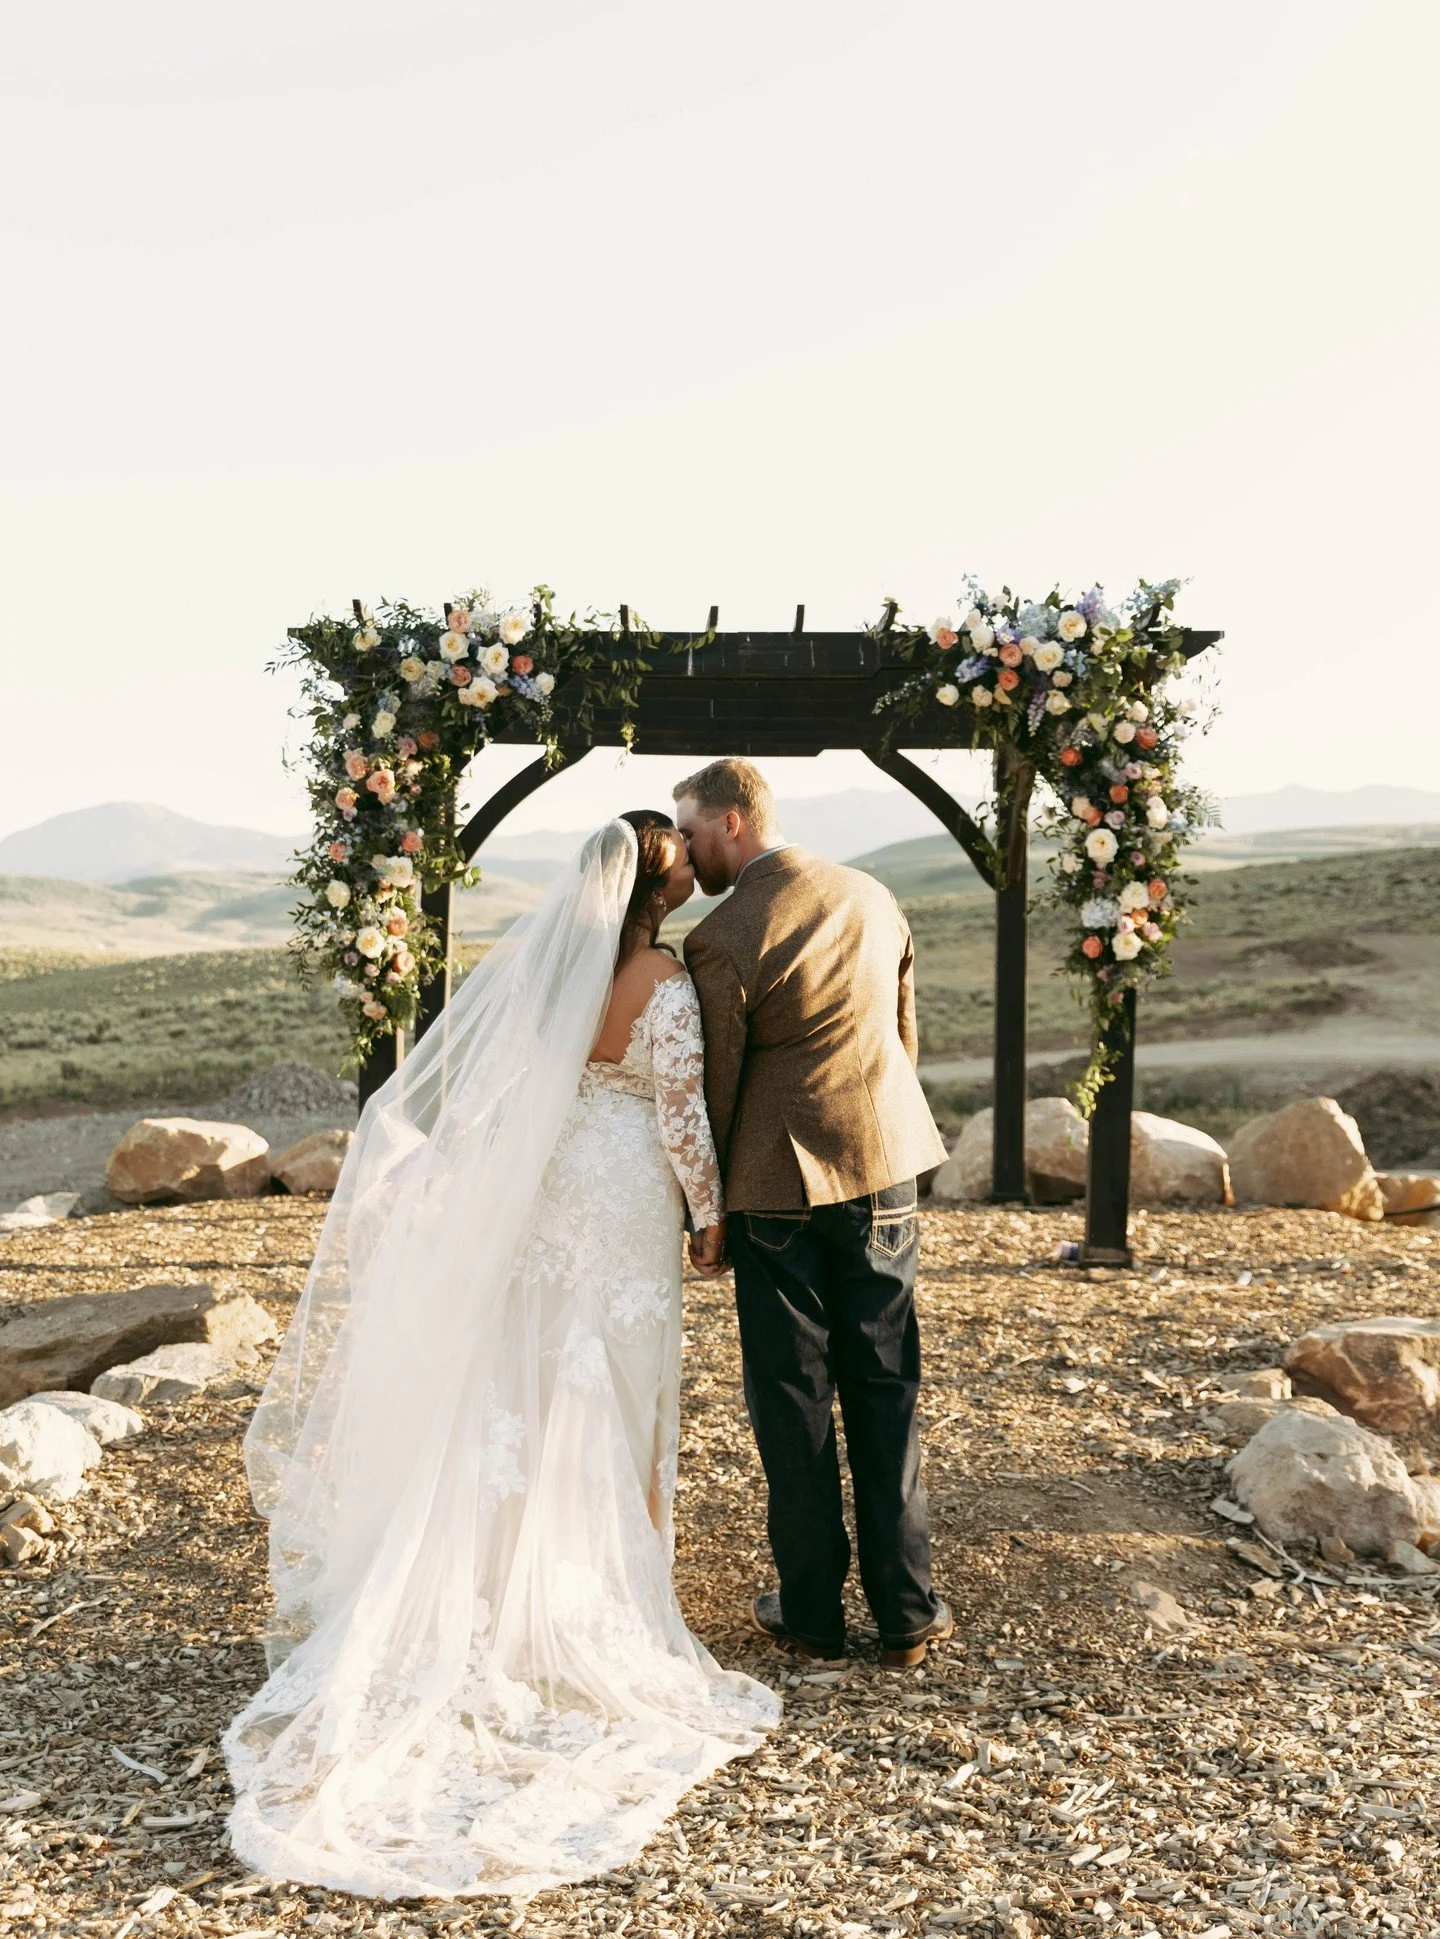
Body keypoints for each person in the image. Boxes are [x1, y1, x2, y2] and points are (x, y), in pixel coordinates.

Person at [225, 817, 778, 1900]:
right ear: (655, 891)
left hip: (552, 1184)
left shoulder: (552, 970)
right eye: (674, 864)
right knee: (616, 1378)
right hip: (624, 1192)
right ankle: (606, 1589)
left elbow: (509, 1091)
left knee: (528, 1372)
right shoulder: (665, 981)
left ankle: (497, 1572)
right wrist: (709, 1214)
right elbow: (679, 1112)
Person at [674, 758, 953, 1669]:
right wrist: (882, 1135)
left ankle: (813, 1616)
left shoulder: (720, 935)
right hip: (883, 1165)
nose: (685, 851)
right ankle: (906, 1614)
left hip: (776, 1186)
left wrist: (706, 1208)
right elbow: (902, 1035)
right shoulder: (874, 895)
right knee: (886, 1382)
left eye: (691, 832)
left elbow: (718, 1088)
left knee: (792, 1399)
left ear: (733, 821)